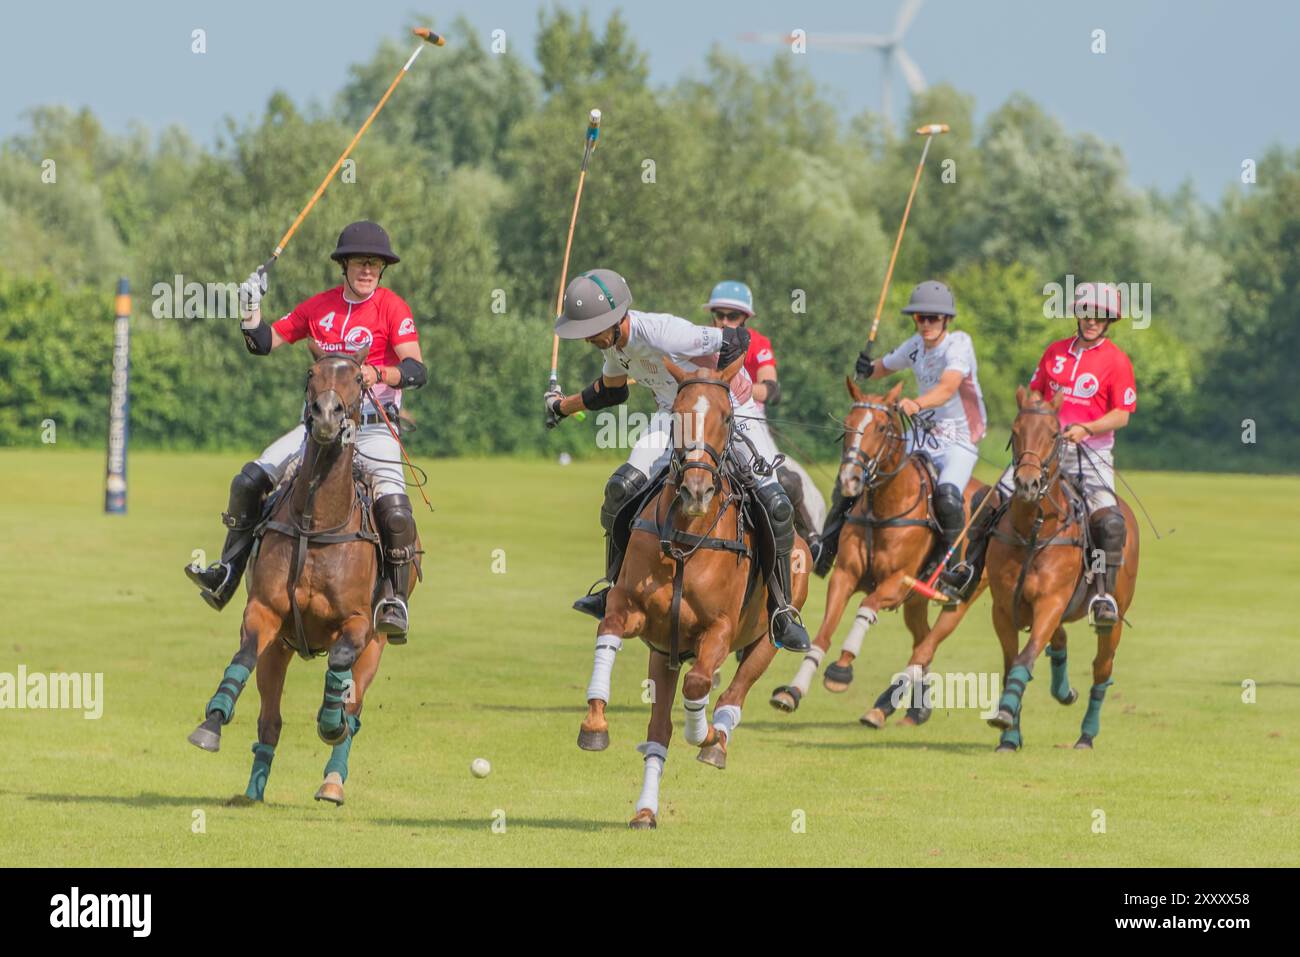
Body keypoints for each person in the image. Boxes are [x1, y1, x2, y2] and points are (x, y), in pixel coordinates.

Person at [184, 221, 427, 643]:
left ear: (382, 268)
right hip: (315, 431)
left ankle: (393, 599)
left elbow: (416, 370)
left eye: (374, 263)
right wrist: (249, 308)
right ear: (344, 266)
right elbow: (262, 343)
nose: (366, 270)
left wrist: (378, 371)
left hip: (370, 429)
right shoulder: (318, 307)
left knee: (397, 510)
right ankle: (227, 572)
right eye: (359, 262)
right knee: (248, 480)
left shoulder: (393, 308)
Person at [546, 268, 812, 653]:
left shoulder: (663, 331)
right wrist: (562, 406)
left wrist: (726, 380)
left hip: (726, 411)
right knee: (620, 489)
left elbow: (736, 338)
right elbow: (611, 391)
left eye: (590, 328)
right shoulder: (615, 346)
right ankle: (613, 588)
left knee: (775, 503)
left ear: (613, 318)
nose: (586, 337)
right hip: (672, 417)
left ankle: (781, 610)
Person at [968, 282, 1136, 627]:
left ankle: (1103, 594)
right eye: (1086, 313)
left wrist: (1087, 428)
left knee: (1110, 521)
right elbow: (1036, 395)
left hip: (1091, 455)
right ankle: (969, 569)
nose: (1091, 320)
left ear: (1108, 321)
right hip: (1045, 453)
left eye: (1099, 316)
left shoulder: (1117, 361)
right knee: (989, 500)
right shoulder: (1055, 353)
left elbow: (1123, 413)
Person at [817, 280, 987, 581]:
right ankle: (826, 548)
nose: (926, 324)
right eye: (921, 318)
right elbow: (884, 366)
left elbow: (948, 388)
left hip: (959, 439)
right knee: (860, 473)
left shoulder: (959, 344)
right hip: (922, 435)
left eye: (933, 318)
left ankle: (950, 568)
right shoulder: (915, 346)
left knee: (947, 497)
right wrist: (867, 368)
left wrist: (916, 404)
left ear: (946, 320)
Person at [705, 280, 828, 559]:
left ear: (745, 318)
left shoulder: (758, 343)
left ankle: (810, 537)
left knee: (784, 480)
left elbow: (771, 388)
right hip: (707, 421)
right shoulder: (698, 340)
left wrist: (749, 389)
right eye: (719, 314)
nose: (725, 321)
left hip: (749, 422)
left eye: (732, 316)